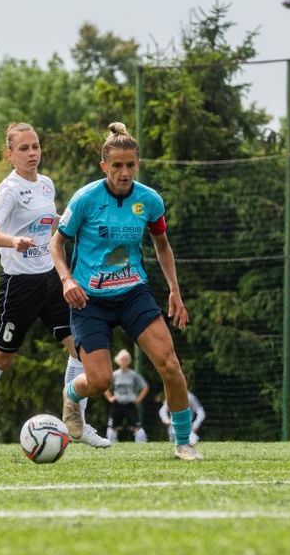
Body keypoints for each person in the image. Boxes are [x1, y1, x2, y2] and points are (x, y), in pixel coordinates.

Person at [0, 122, 111, 454]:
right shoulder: (8, 190)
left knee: (80, 350)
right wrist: (12, 240)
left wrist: (77, 222)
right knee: (1, 359)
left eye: (35, 146)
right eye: (24, 148)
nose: (32, 153)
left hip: (51, 280)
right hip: (18, 286)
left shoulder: (46, 185)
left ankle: (75, 422)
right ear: (10, 155)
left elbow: (51, 222)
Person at [51, 122, 202, 461]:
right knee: (100, 380)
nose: (124, 172)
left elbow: (162, 246)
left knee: (170, 364)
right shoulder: (86, 199)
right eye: (116, 165)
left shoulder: (149, 201)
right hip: (89, 300)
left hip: (133, 293)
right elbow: (56, 244)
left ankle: (183, 442)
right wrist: (67, 281)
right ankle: (72, 395)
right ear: (104, 166)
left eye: (130, 165)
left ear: (138, 165)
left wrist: (174, 291)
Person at [104, 348, 150, 442]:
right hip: (117, 404)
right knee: (112, 426)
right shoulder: (114, 374)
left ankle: (141, 444)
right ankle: (111, 444)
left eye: (126, 359)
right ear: (118, 361)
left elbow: (145, 387)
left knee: (137, 426)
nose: (124, 361)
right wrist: (110, 397)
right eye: (122, 359)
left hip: (130, 404)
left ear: (129, 361)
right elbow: (104, 386)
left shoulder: (133, 374)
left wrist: (138, 399)